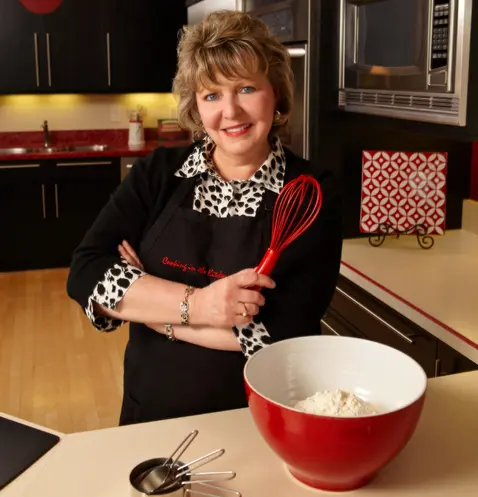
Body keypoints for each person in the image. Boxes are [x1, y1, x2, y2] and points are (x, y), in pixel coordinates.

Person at [66, 10, 343, 426]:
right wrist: (200, 304)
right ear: (196, 105)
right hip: (151, 415)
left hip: (260, 418)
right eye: (211, 94)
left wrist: (154, 312)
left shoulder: (310, 192)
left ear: (277, 95)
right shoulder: (158, 174)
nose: (230, 111)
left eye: (246, 88)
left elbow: (285, 332)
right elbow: (86, 274)